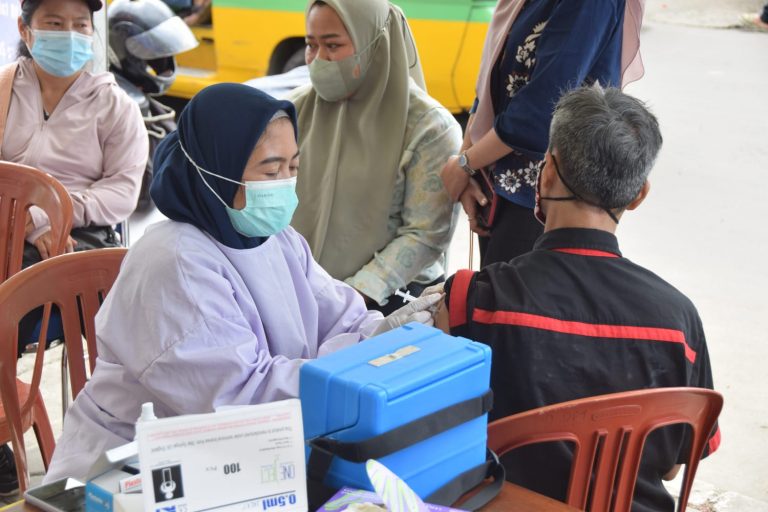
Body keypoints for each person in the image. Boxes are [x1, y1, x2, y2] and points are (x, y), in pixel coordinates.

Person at [43, 83, 440, 483]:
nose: (285, 183)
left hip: (236, 459)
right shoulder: (175, 262)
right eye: (270, 170)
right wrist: (362, 356)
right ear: (217, 169)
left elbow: (340, 317)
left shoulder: (277, 239)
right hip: (136, 470)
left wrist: (387, 334)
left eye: (293, 167)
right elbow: (239, 400)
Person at [434, 86, 719, 512]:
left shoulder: (470, 301)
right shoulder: (679, 322)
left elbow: (435, 433)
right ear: (638, 195)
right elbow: (671, 467)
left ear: (546, 173)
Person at [0, 0, 147, 493]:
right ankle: (5, 430)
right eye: (53, 24)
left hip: (81, 234)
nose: (69, 34)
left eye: (79, 25)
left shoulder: (115, 106)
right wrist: (24, 217)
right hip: (7, 228)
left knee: (124, 324)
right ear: (26, 28)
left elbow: (123, 192)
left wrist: (56, 212)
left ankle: (109, 439)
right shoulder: (1, 92)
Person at [440, 0, 646, 267]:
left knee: (511, 304)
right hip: (497, 187)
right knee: (491, 299)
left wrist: (466, 164)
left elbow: (542, 112)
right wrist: (467, 164)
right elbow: (495, 79)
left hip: (542, 199)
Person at [287, 0, 461, 315]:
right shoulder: (294, 111)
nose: (318, 59)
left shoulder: (428, 127)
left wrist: (349, 297)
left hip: (390, 299)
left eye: (333, 45)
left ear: (374, 44)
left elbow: (424, 235)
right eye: (311, 45)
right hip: (301, 292)